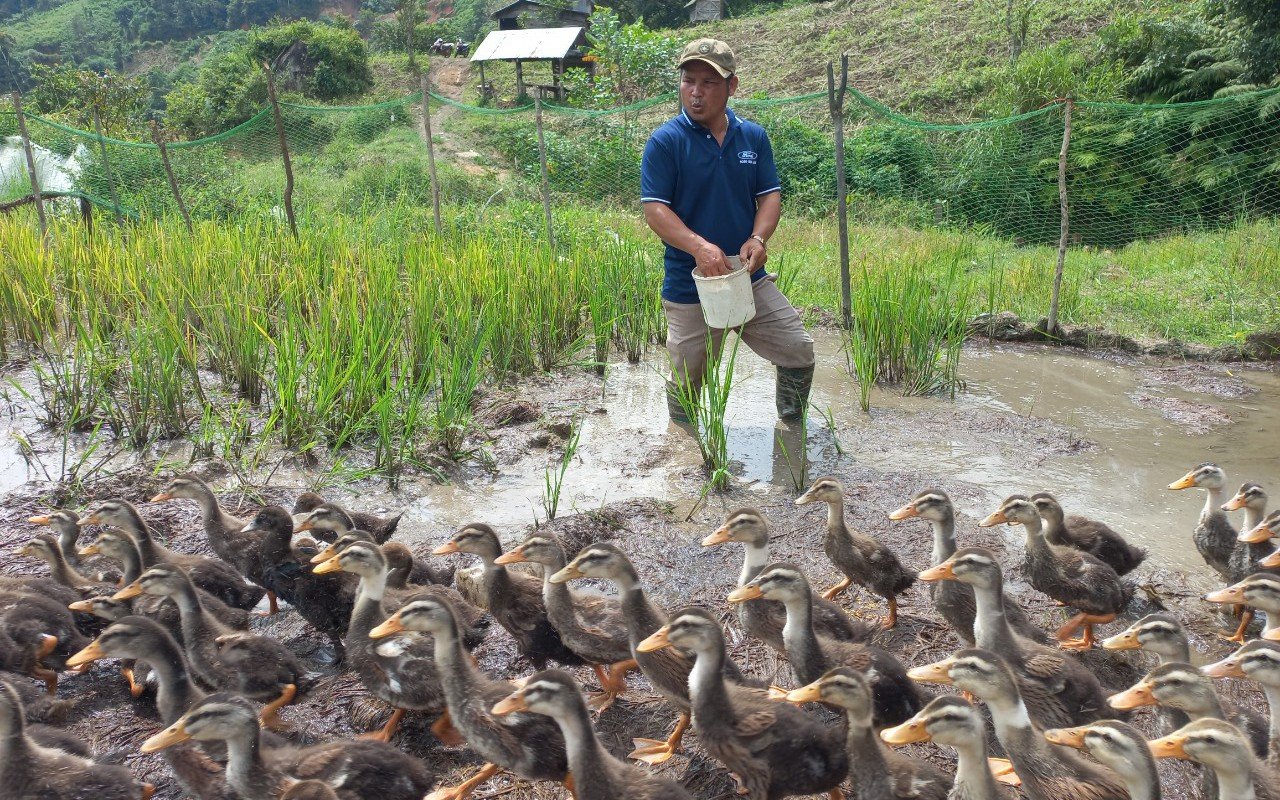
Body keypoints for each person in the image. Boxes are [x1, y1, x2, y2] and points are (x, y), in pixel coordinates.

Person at [640, 38, 815, 424]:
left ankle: (792, 432)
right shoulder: (666, 142)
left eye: (708, 83)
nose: (696, 93)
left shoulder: (752, 137)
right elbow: (655, 209)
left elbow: (769, 196)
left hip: (747, 275)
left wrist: (758, 238)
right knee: (689, 377)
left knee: (797, 349)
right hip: (692, 284)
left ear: (731, 86)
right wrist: (700, 247)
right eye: (688, 81)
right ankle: (686, 451)